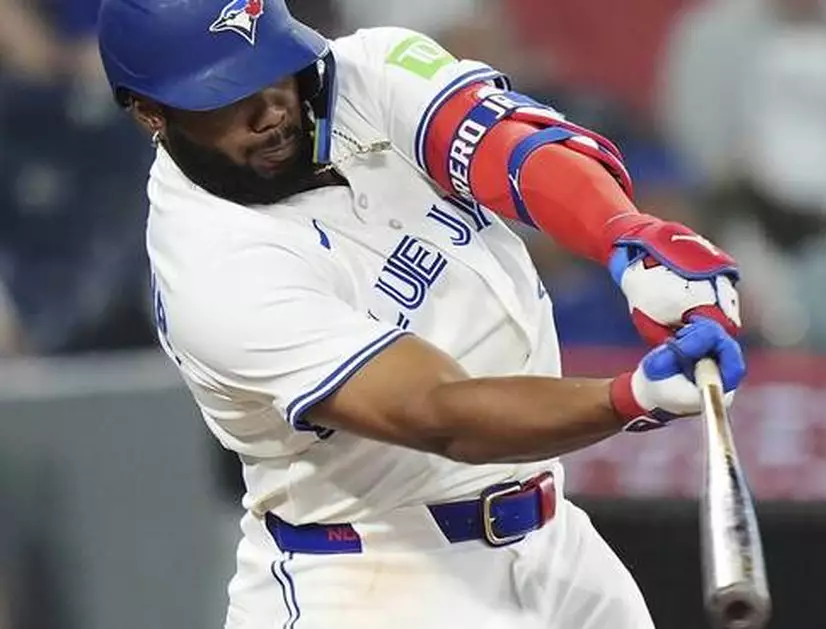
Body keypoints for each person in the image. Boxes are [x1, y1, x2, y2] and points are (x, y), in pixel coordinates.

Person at [95, 1, 746, 628]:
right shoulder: (212, 266)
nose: (271, 111)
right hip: (377, 578)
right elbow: (439, 410)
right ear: (152, 113)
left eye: (272, 73)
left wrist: (628, 240)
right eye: (228, 96)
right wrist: (627, 397)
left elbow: (513, 147)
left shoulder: (361, 72)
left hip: (556, 543)